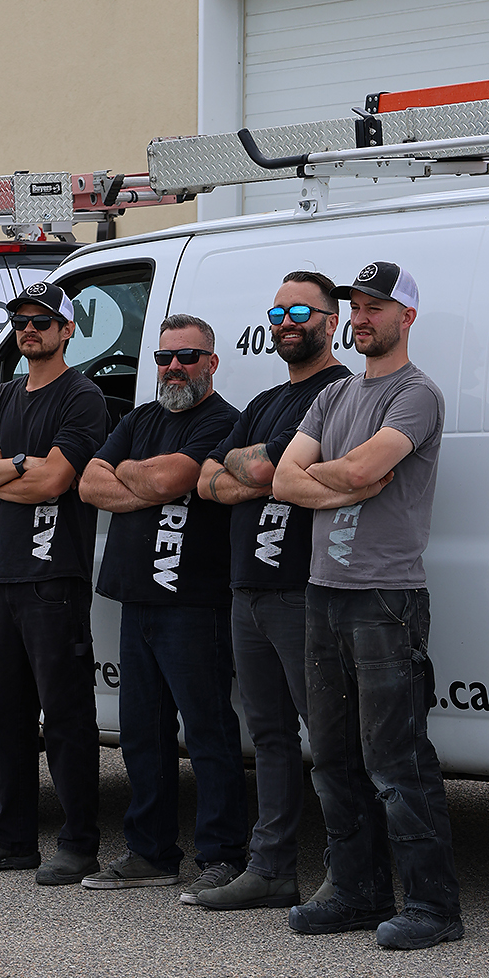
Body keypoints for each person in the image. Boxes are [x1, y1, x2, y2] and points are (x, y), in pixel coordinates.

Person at [273, 261, 463, 950]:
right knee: (330, 758)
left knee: (397, 760)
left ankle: (435, 908)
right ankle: (356, 892)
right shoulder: (335, 396)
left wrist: (332, 479)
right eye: (356, 306)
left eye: (377, 308)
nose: (361, 318)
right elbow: (287, 480)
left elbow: (346, 470)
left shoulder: (418, 395)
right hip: (325, 593)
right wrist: (345, 488)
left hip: (386, 598)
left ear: (406, 317)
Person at [192, 271, 350, 910]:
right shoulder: (260, 403)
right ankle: (272, 868)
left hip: (301, 587)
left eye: (301, 311)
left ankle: (350, 871)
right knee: (270, 734)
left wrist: (258, 470)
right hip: (247, 589)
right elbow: (211, 482)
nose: (287, 322)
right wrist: (258, 470)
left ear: (331, 321)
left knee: (331, 735)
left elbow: (265, 472)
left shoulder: (339, 394)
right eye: (278, 310)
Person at [77, 315, 247, 899]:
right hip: (137, 598)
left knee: (208, 730)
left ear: (212, 363)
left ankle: (224, 854)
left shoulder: (224, 421)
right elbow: (87, 484)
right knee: (141, 732)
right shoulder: (140, 419)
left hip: (194, 602)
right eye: (164, 357)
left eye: (188, 357)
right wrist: (145, 482)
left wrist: (139, 478)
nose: (173, 368)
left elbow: (177, 477)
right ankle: (150, 852)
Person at [0, 281, 107, 886]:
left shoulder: (82, 398)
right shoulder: (2, 396)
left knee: (65, 716)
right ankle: (11, 838)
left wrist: (6, 469)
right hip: (4, 574)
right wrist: (18, 465)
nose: (29, 329)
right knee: (5, 715)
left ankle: (78, 844)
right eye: (21, 320)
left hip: (53, 578)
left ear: (67, 330)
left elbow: (55, 483)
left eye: (43, 320)